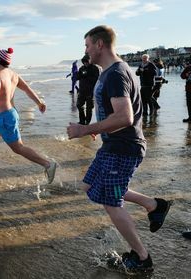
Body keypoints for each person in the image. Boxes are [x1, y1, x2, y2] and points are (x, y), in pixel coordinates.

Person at [67, 25, 172, 272]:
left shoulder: (115, 74)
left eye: (87, 45)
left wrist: (86, 128)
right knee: (90, 186)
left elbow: (124, 117)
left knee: (111, 201)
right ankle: (153, 205)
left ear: (99, 44)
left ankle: (142, 257)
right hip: (113, 146)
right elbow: (117, 115)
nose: (86, 50)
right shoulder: (110, 72)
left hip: (124, 148)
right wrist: (98, 129)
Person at [0, 47, 57, 184]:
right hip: (4, 116)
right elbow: (27, 89)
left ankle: (48, 165)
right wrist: (39, 103)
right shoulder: (12, 74)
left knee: (18, 148)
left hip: (5, 117)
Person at [76, 54, 100, 125]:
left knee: (89, 108)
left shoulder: (95, 68)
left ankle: (87, 122)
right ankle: (82, 121)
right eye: (84, 62)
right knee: (79, 105)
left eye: (87, 61)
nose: (86, 63)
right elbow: (78, 77)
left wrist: (86, 76)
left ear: (90, 61)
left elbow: (96, 79)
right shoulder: (82, 68)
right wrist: (76, 75)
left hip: (90, 91)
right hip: (82, 91)